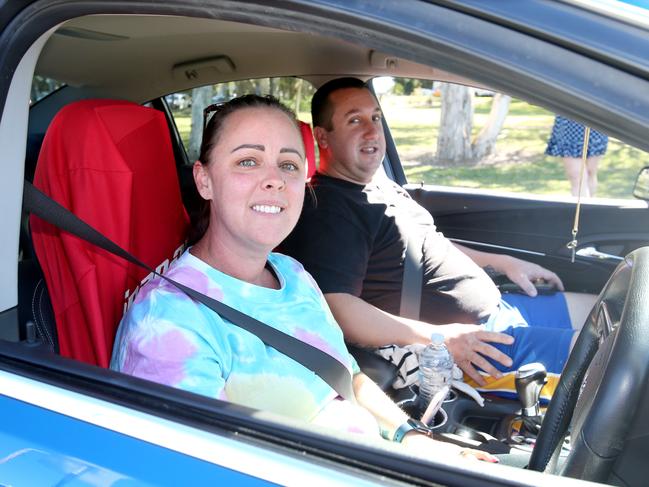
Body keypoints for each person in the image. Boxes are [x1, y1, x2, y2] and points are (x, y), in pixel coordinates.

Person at [110, 94, 496, 462]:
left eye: (289, 165)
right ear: (205, 180)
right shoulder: (168, 321)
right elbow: (197, 468)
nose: (275, 179)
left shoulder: (292, 274)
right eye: (248, 161)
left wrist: (411, 438)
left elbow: (349, 378)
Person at [281, 78, 596, 396]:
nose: (372, 130)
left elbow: (424, 242)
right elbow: (339, 308)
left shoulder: (377, 184)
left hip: (502, 308)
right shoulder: (330, 210)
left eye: (375, 117)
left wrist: (502, 262)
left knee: (607, 311)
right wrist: (438, 338)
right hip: (478, 349)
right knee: (618, 353)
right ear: (322, 137)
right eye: (354, 120)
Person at [546, 115, 608, 197]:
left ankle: (590, 204)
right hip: (570, 122)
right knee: (577, 176)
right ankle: (582, 208)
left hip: (595, 119)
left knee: (590, 172)